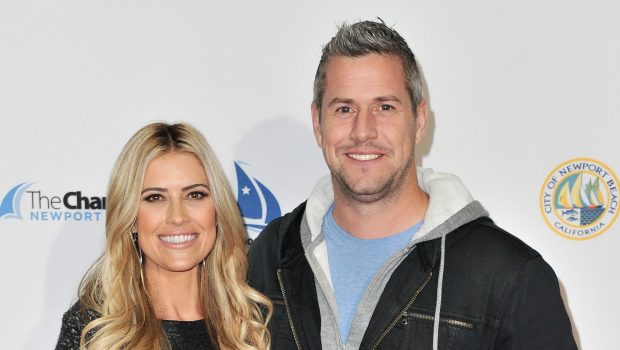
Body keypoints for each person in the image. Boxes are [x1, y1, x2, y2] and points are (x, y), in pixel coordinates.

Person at [248, 19, 577, 350]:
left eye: (385, 107)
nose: (363, 131)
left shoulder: (510, 277)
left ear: (419, 121)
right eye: (344, 108)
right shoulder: (269, 256)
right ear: (318, 124)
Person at [56, 122, 271, 350]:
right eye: (155, 198)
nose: (177, 216)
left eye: (195, 195)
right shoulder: (95, 327)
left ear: (217, 210)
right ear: (131, 218)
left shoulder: (254, 323)